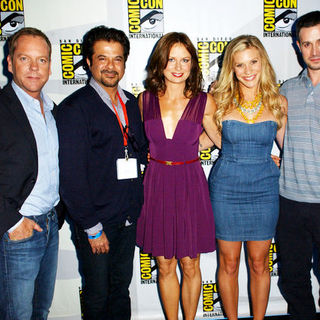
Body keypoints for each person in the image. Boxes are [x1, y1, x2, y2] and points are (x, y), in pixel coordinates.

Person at [57, 26, 147, 319]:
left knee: (121, 289)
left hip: (127, 217)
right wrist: (92, 228)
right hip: (96, 223)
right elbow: (70, 176)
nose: (111, 66)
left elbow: (142, 148)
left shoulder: (131, 103)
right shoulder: (75, 108)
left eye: (117, 59)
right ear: (88, 61)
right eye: (102, 58)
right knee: (97, 295)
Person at [136, 32, 220, 320]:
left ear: (193, 65)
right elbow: (135, 143)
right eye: (171, 59)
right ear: (160, 63)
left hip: (190, 185)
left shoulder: (204, 101)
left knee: (190, 264)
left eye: (185, 59)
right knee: (165, 265)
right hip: (157, 184)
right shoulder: (144, 100)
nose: (178, 66)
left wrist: (192, 147)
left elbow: (221, 139)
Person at [209, 35, 287, 320]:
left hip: (265, 191)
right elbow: (203, 141)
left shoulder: (278, 102)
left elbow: (289, 146)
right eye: (239, 64)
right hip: (226, 190)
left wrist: (282, 160)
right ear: (231, 68)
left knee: (259, 263)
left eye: (253, 61)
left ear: (263, 61)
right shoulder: (219, 100)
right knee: (228, 264)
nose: (247, 70)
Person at [0, 27, 61, 319]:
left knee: (41, 310)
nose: (34, 68)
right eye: (25, 59)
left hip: (49, 225)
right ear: (10, 63)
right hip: (17, 231)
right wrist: (12, 222)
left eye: (42, 60)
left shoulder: (52, 109)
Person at [276, 11, 320, 320]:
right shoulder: (286, 90)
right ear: (297, 47)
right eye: (307, 44)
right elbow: (281, 137)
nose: (314, 51)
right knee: (292, 279)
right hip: (290, 203)